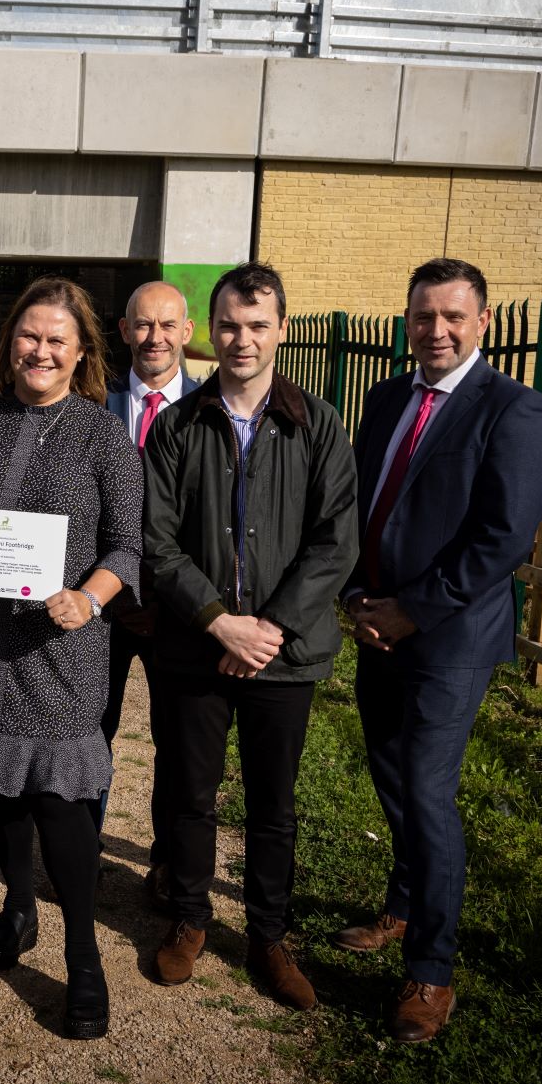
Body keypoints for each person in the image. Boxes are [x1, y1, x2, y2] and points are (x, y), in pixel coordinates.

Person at [0, 275, 143, 1041]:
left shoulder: (102, 433)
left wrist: (92, 598)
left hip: (60, 644)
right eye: (29, 336)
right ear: (11, 341)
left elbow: (128, 545)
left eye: (56, 341)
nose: (39, 351)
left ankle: (82, 958)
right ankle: (17, 907)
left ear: (80, 354)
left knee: (58, 801)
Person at [337, 258, 542, 1043]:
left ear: (483, 321)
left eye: (454, 317)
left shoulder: (513, 409)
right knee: (392, 777)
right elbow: (361, 502)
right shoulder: (388, 396)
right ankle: (404, 901)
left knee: (428, 792)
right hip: (376, 626)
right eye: (424, 316)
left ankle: (430, 971)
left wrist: (412, 612)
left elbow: (505, 536)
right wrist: (359, 597)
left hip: (450, 638)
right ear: (407, 318)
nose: (437, 331)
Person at [141, 262, 357, 1013]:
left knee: (274, 803)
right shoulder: (178, 425)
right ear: (213, 331)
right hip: (197, 648)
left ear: (282, 331)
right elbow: (157, 542)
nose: (242, 338)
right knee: (191, 795)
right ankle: (191, 918)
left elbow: (336, 542)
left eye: (258, 325)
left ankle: (269, 934)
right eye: (230, 324)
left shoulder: (318, 424)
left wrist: (269, 626)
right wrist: (218, 620)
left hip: (283, 655)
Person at [102, 279, 198, 908]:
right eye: (143, 324)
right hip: (101, 605)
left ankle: (169, 862)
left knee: (180, 742)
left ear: (187, 334)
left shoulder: (213, 408)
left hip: (180, 611)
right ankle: (77, 845)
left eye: (168, 326)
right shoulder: (93, 404)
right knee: (86, 730)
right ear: (124, 330)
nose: (155, 337)